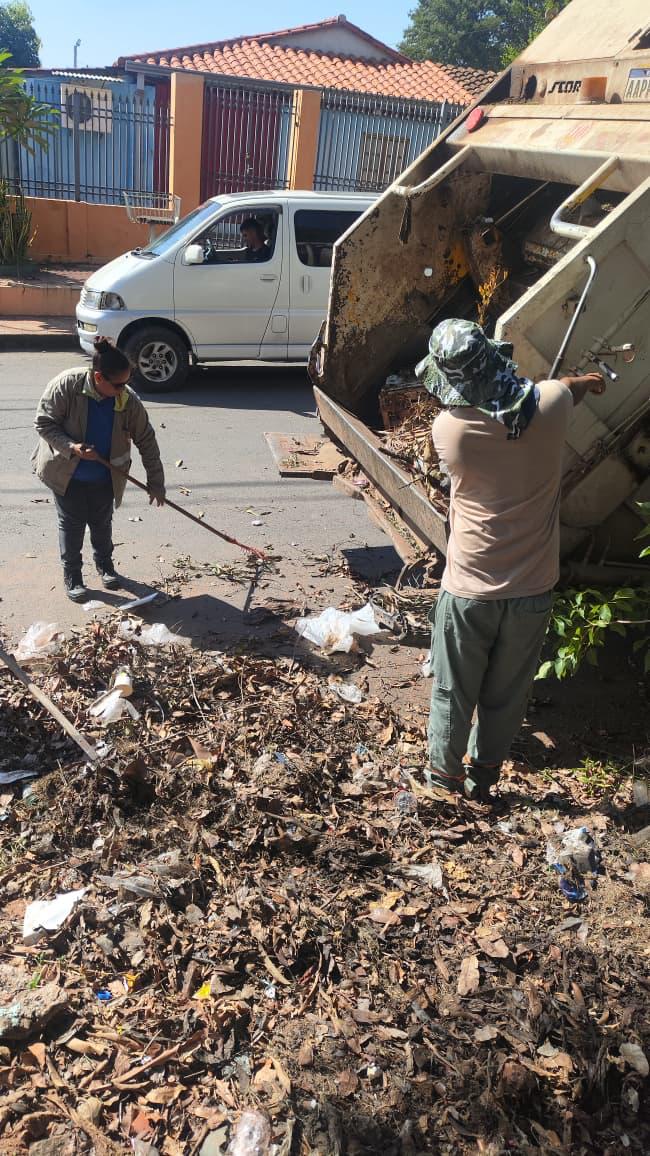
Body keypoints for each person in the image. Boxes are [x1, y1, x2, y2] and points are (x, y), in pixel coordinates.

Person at [416, 319, 605, 805]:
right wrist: (587, 381)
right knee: (506, 695)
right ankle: (482, 780)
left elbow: (483, 412)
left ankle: (443, 784)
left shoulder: (448, 430)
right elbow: (564, 388)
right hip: (531, 592)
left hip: (468, 590)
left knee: (454, 692)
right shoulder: (552, 405)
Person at [33, 336, 165, 603]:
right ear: (98, 377)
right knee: (72, 525)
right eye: (118, 385)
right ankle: (73, 576)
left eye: (127, 382)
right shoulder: (67, 385)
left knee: (101, 523)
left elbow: (146, 440)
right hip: (66, 474)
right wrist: (72, 447)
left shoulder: (127, 400)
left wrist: (156, 482)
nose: (123, 389)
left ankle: (105, 566)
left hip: (106, 476)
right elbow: (44, 423)